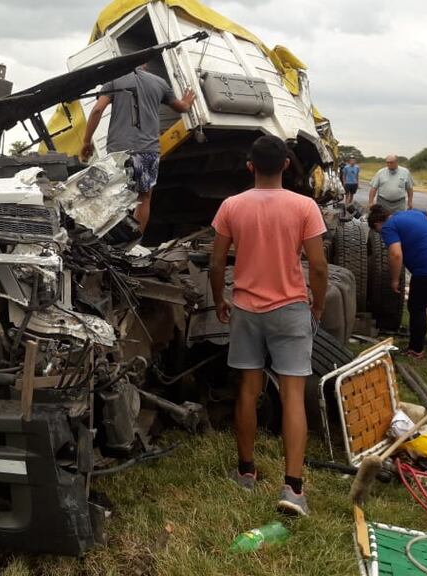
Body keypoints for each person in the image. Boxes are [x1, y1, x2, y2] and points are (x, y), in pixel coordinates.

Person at [210, 135, 328, 517]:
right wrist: (318, 305)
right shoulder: (305, 206)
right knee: (293, 395)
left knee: (248, 391)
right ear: (287, 165)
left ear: (250, 166)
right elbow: (319, 266)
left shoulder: (231, 205)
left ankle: (246, 472)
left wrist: (219, 299)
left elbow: (217, 262)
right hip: (291, 308)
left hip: (246, 308)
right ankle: (293, 489)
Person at [80, 65, 194, 234]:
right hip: (148, 151)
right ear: (145, 64)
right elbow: (182, 108)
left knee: (113, 196)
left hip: (119, 152)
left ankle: (108, 239)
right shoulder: (160, 83)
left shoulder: (114, 80)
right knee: (143, 198)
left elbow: (97, 110)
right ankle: (134, 240)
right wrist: (187, 101)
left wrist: (86, 141)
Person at [367, 204, 427, 358]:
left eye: (377, 231)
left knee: (417, 307)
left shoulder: (388, 227)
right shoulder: (413, 213)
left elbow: (395, 254)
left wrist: (394, 280)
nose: (381, 235)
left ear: (377, 224)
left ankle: (416, 350)